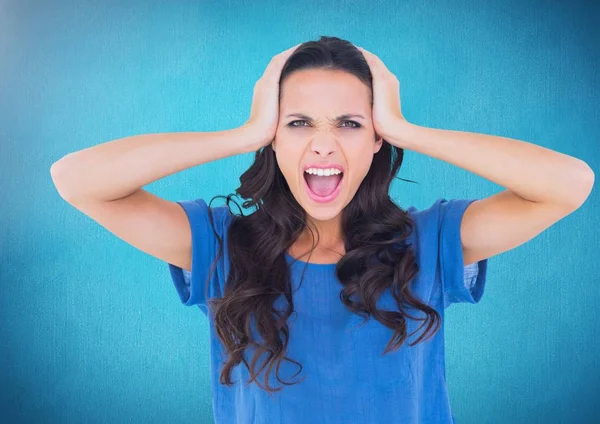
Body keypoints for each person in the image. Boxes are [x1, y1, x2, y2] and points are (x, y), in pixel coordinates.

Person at [50, 36, 594, 424]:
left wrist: (406, 128)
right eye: (299, 122)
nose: (324, 145)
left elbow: (570, 183)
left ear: (376, 139)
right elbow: (75, 179)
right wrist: (245, 133)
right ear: (274, 139)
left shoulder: (430, 243)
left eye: (350, 124)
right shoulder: (220, 248)